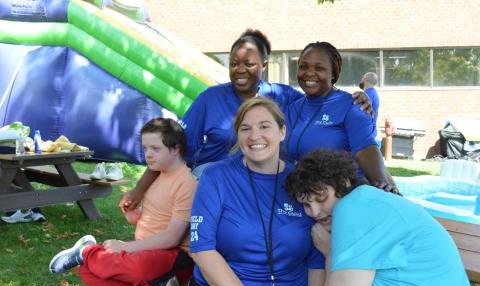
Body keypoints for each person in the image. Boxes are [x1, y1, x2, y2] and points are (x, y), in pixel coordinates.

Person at [119, 29, 373, 213]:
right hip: (215, 179)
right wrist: (139, 189)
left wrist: (359, 98)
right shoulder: (210, 99)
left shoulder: (282, 96)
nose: (240, 69)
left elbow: (318, 98)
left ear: (263, 64)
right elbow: (173, 145)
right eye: (233, 63)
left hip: (265, 181)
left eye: (249, 64)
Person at [285, 150, 480, 286]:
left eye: (321, 198)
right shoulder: (370, 201)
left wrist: (329, 252)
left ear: (343, 183)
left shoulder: (351, 207)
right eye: (306, 204)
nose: (316, 212)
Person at [190, 97, 326, 286]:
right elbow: (202, 249)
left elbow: (316, 255)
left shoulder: (301, 180)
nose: (254, 136)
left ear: (282, 132)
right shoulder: (216, 177)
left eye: (264, 126)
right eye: (245, 129)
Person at [48, 118, 197, 286]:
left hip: (174, 257)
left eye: (155, 149)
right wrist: (135, 217)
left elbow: (172, 238)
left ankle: (86, 252)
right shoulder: (157, 174)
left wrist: (127, 247)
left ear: (175, 149)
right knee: (87, 273)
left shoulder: (187, 184)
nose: (148, 155)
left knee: (134, 269)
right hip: (145, 251)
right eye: (145, 149)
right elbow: (157, 217)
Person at [283, 42, 398, 193]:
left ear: (333, 73)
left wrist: (382, 183)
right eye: (304, 66)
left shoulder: (353, 105)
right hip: (305, 201)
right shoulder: (291, 108)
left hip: (342, 197)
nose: (309, 73)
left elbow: (365, 148)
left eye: (319, 68)